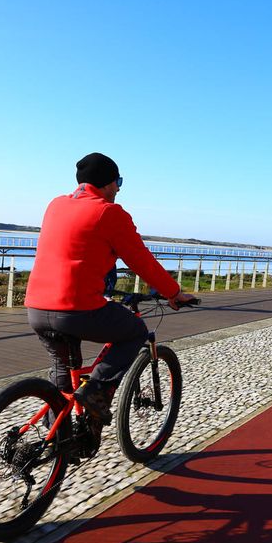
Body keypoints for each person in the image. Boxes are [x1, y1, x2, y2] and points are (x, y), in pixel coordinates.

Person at [25, 152, 195, 426]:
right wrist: (173, 293)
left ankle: (58, 439)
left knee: (64, 373)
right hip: (75, 310)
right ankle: (97, 393)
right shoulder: (109, 212)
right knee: (135, 332)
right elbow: (142, 261)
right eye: (118, 182)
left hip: (36, 308)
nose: (118, 189)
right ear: (107, 183)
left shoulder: (55, 205)